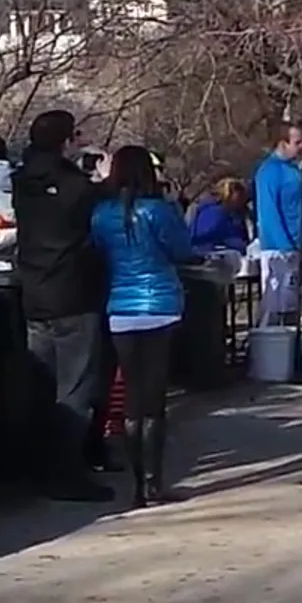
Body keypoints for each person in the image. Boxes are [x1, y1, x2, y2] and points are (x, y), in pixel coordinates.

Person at [90, 145, 199, 507]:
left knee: (132, 396)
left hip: (120, 305)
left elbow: (98, 252)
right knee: (154, 397)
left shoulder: (102, 214)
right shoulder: (158, 211)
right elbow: (182, 249)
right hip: (161, 303)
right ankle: (154, 483)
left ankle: (136, 486)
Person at [13, 110, 113, 502]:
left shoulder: (23, 183)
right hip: (73, 293)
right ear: (66, 141)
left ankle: (39, 467)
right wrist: (102, 177)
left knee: (41, 384)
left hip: (35, 292)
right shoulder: (77, 188)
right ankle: (68, 473)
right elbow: (95, 208)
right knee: (74, 387)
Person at [253, 124, 302, 326]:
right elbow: (268, 211)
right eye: (297, 142)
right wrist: (284, 246)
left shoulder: (294, 170)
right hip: (279, 249)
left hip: (299, 245)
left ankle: (291, 351)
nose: (301, 147)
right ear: (282, 143)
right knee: (275, 306)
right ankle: (267, 350)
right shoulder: (269, 171)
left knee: (294, 307)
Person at [189, 177, 250, 254]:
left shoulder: (236, 215)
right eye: (239, 196)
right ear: (228, 194)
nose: (242, 200)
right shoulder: (212, 213)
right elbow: (205, 239)